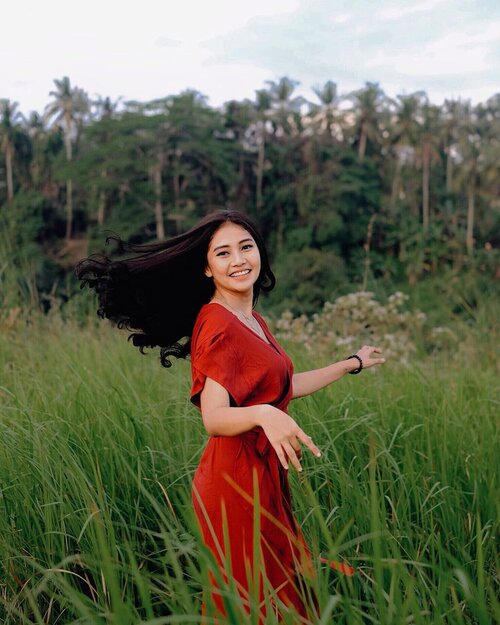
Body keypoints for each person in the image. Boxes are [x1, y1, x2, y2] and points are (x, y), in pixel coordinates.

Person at [75, 209, 385, 623]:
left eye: (246, 246)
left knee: (283, 597)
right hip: (233, 486)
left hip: (261, 477)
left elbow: (283, 385)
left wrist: (350, 363)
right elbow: (214, 418)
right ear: (207, 267)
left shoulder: (252, 320)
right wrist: (263, 416)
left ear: (259, 252)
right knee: (249, 605)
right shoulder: (218, 323)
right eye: (223, 253)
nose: (238, 260)